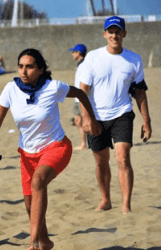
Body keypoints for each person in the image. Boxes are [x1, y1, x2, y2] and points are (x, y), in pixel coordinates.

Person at [0, 49, 100, 250]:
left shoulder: (53, 87)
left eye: (29, 67)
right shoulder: (10, 89)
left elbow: (82, 94)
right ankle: (45, 241)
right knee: (30, 205)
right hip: (27, 154)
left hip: (56, 147)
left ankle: (33, 243)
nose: (24, 71)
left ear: (40, 70)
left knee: (39, 181)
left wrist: (88, 117)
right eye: (21, 66)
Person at [78, 16, 151, 214]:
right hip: (97, 116)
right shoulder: (92, 58)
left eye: (118, 31)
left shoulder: (134, 59)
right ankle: (106, 200)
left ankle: (126, 205)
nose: (114, 35)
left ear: (124, 34)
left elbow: (140, 92)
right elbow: (83, 90)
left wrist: (146, 120)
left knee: (123, 158)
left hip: (122, 114)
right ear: (105, 35)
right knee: (101, 161)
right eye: (110, 32)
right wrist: (85, 117)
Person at [69, 43, 88, 150]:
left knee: (81, 121)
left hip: (81, 98)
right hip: (78, 97)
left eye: (73, 52)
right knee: (78, 121)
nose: (72, 55)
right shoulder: (82, 65)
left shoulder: (83, 66)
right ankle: (84, 144)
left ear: (78, 53)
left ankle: (84, 144)